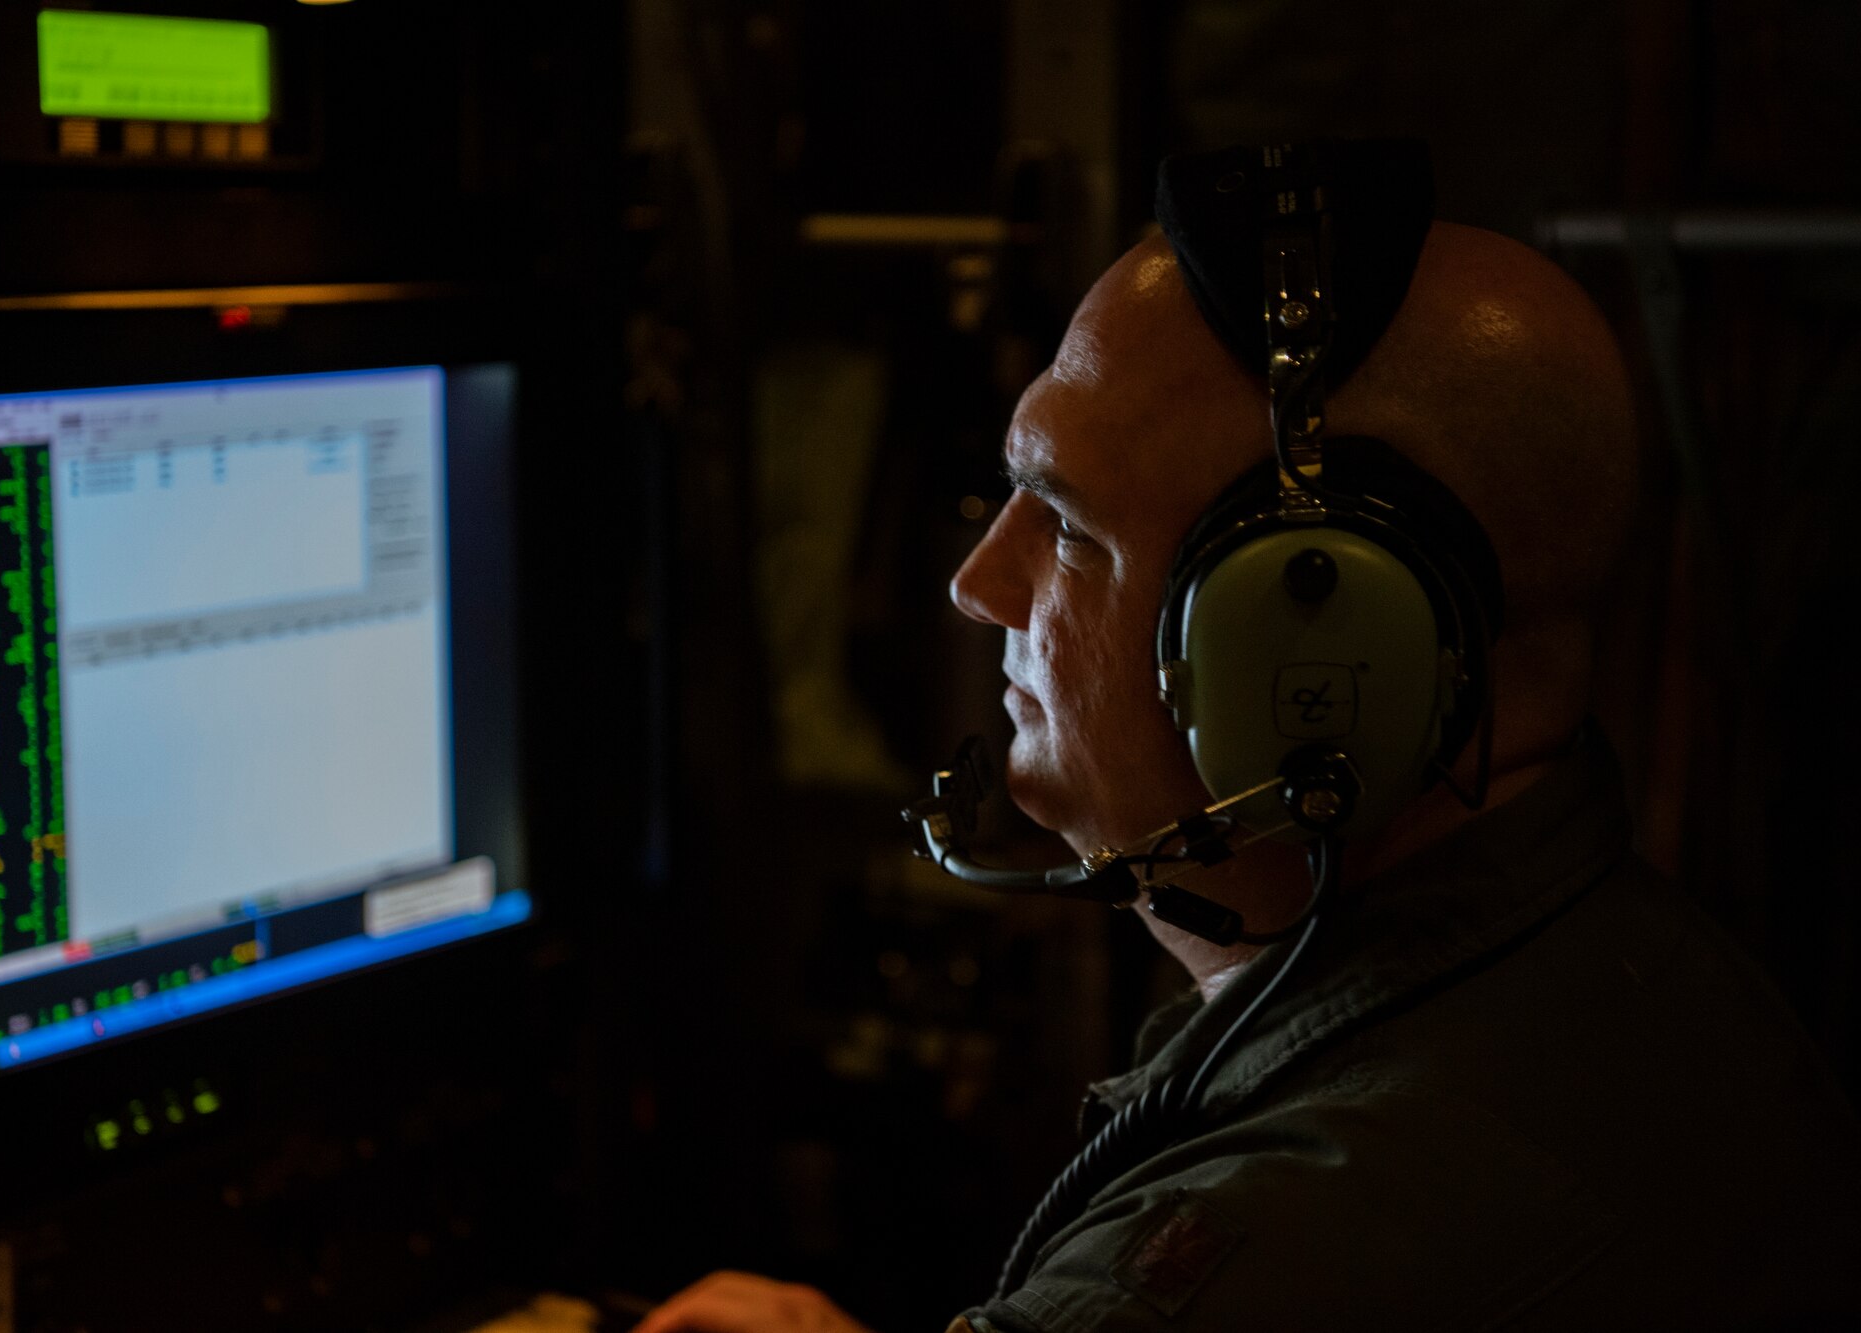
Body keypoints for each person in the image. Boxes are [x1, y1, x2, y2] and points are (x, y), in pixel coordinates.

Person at [634, 184, 1861, 1331]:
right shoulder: (1631, 980)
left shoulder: (1292, 1235)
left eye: (1062, 523)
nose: (976, 584)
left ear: (1320, 638)